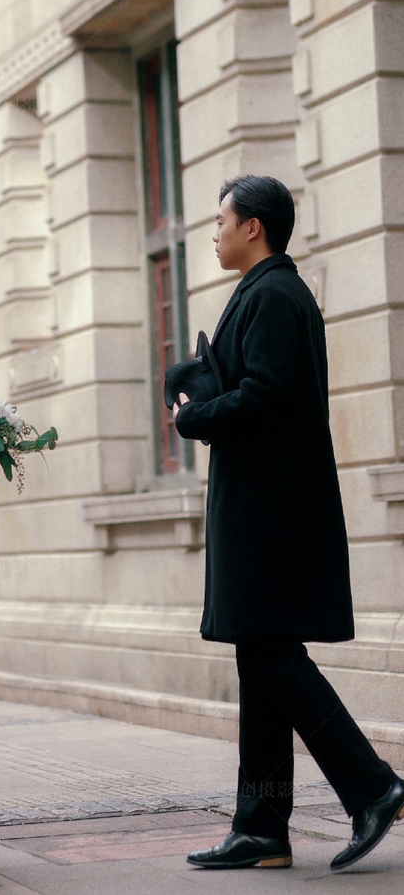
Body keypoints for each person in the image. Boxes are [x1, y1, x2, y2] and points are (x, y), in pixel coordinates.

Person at [172, 176, 404, 872]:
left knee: (273, 657)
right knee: (261, 660)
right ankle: (263, 825)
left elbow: (266, 394)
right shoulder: (270, 290)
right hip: (265, 507)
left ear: (253, 228)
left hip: (270, 514)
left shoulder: (274, 293)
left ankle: (373, 785)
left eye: (221, 220)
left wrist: (194, 415)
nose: (212, 232)